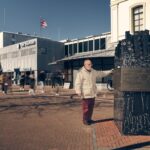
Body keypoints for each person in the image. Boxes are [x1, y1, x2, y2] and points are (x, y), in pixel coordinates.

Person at [75, 59, 113, 125]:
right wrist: (78, 91)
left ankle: (89, 119)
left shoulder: (93, 71)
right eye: (88, 64)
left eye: (91, 64)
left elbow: (101, 73)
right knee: (86, 109)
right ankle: (85, 120)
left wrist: (110, 71)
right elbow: (77, 83)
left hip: (92, 94)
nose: (90, 65)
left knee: (91, 108)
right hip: (85, 94)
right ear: (85, 65)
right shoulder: (80, 72)